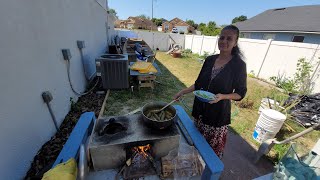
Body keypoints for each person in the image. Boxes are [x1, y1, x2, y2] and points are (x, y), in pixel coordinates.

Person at [174, 25, 247, 159]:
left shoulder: (239, 65)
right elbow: (199, 84)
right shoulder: (209, 60)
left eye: (229, 39)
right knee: (196, 143)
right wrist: (182, 92)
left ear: (235, 43)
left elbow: (240, 93)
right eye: (222, 37)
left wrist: (223, 96)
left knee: (210, 152)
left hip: (217, 115)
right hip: (200, 111)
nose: (224, 41)